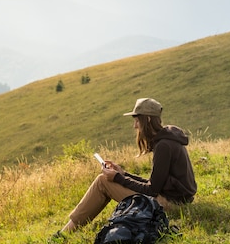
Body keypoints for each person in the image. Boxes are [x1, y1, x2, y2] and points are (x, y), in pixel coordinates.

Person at [59, 98, 197, 233]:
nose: (135, 126)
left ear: (148, 119)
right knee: (105, 180)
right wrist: (123, 174)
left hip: (170, 204)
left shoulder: (164, 146)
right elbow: (155, 184)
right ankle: (70, 228)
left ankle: (65, 233)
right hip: (175, 200)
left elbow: (152, 190)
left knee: (102, 181)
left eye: (137, 121)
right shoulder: (167, 141)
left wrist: (118, 178)